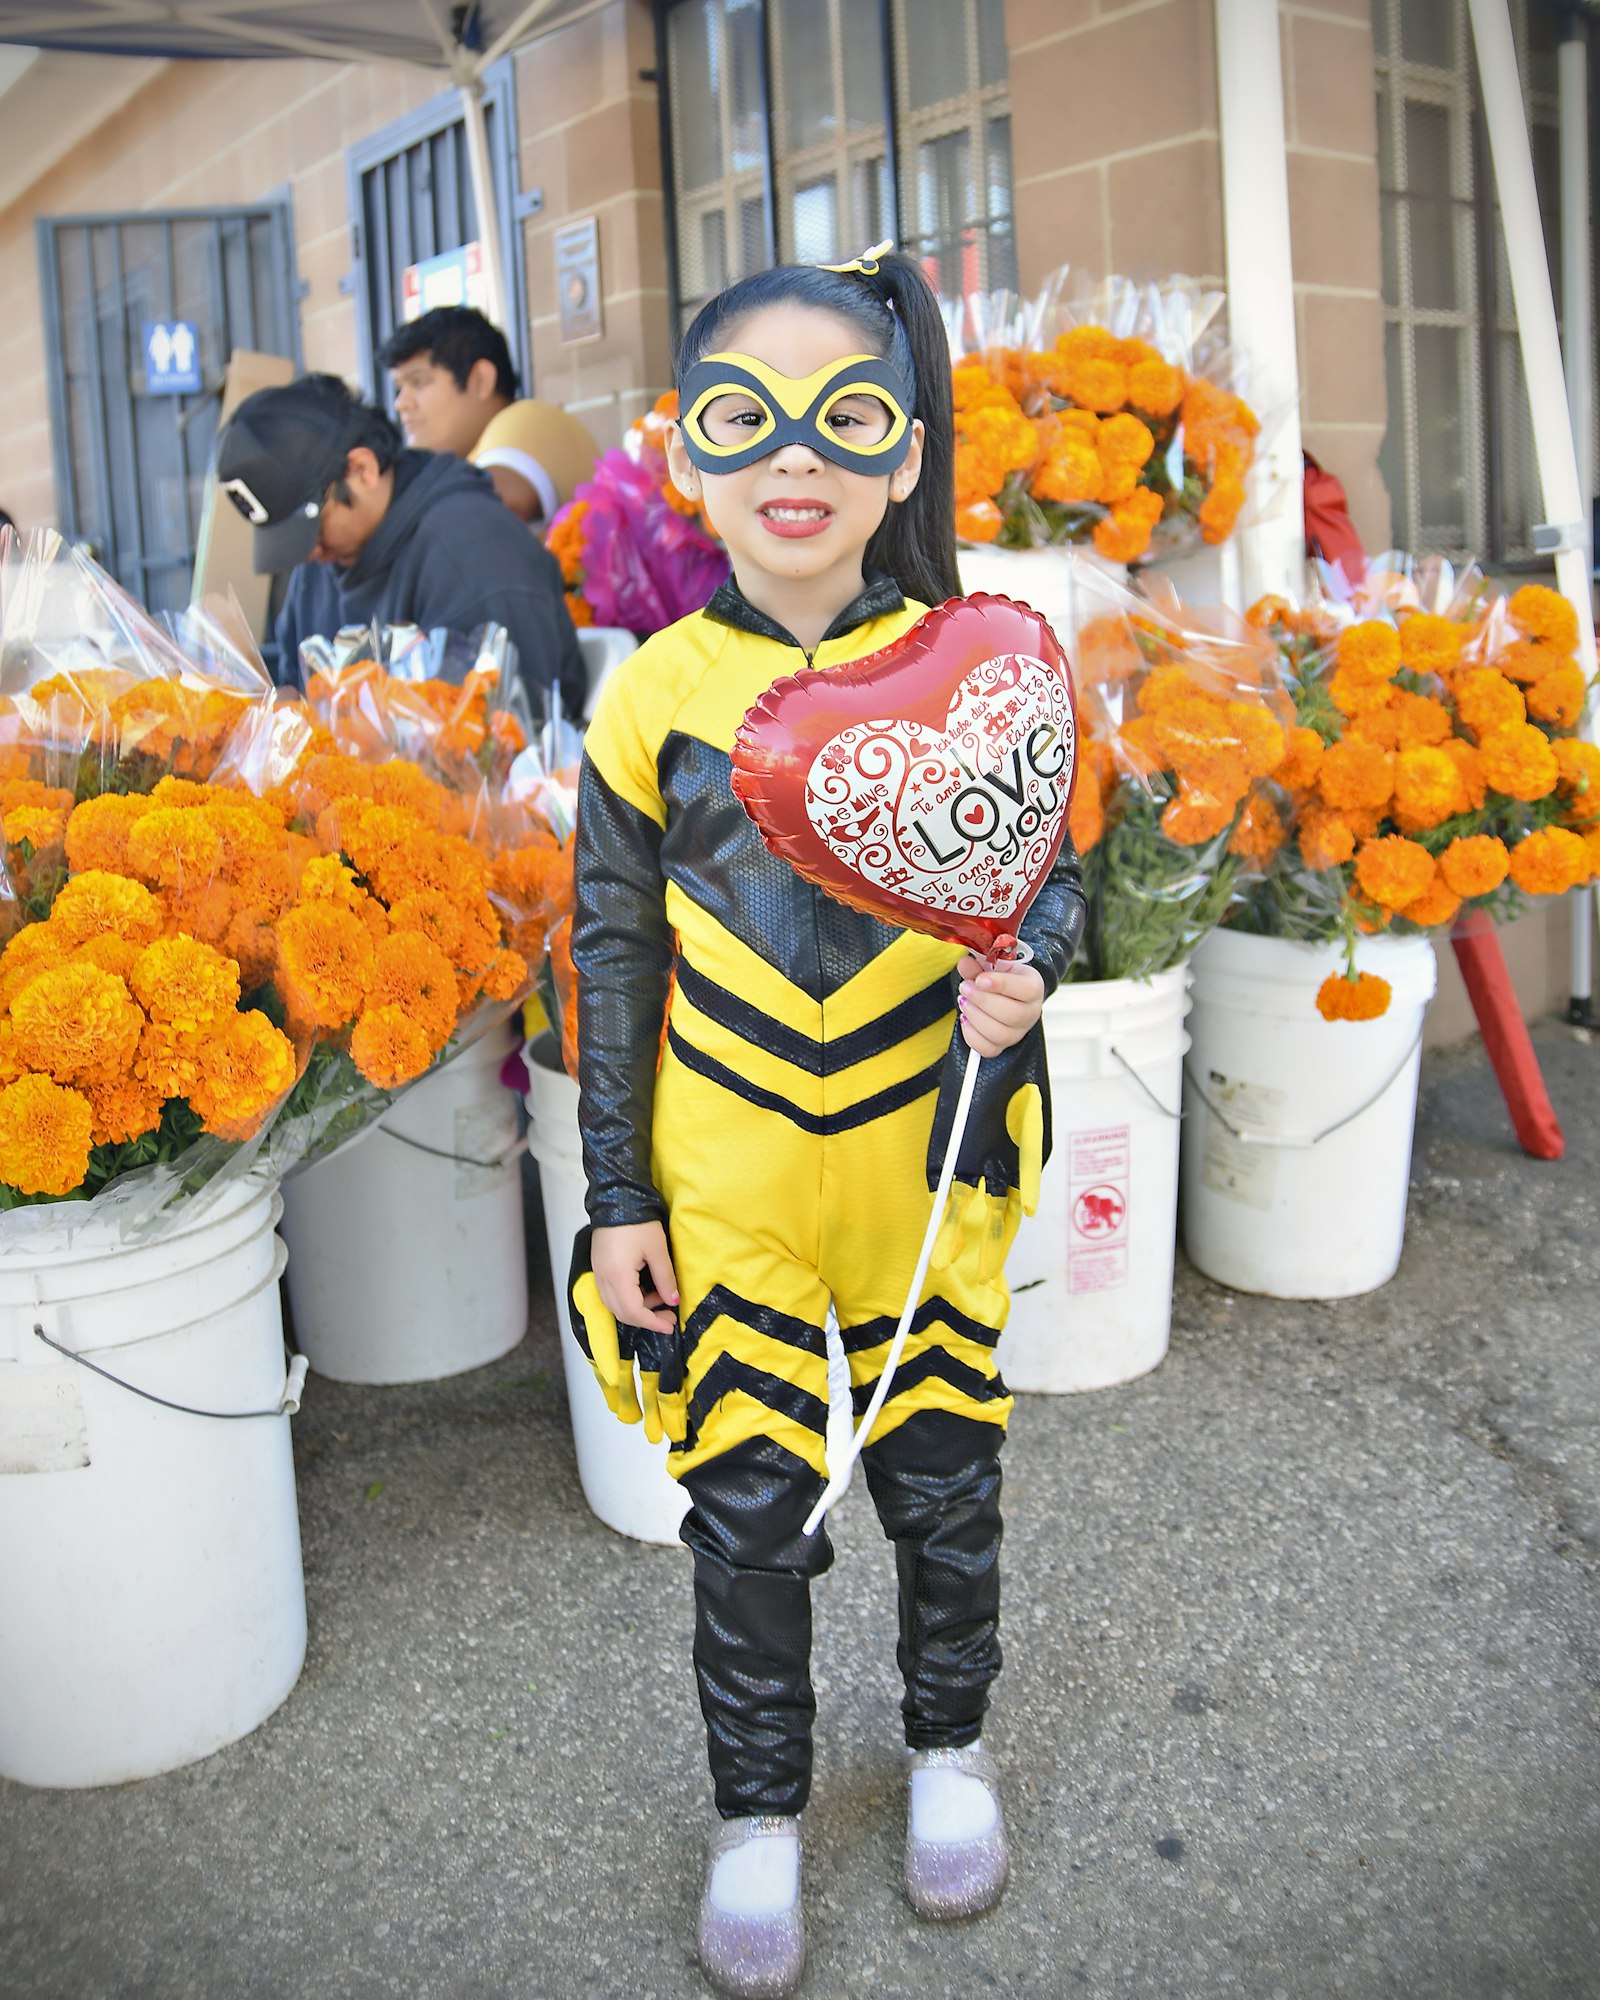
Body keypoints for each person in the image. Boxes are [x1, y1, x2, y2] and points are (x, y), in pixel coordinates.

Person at [568, 246, 1085, 1998]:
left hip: (923, 1152)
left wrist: (1028, 979)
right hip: (725, 1180)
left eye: (843, 419)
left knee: (946, 1483)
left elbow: (1049, 880)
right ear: (692, 460)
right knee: (750, 1511)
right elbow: (614, 948)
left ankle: (949, 1746)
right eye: (745, 420)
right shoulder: (647, 695)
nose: (794, 459)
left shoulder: (973, 658)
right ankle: (758, 1811)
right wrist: (617, 1193)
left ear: (905, 458)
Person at [215, 372, 585, 717]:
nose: (309, 552)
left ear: (362, 469)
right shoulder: (319, 565)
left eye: (311, 528)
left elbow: (506, 737)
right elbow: (293, 689)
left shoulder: (474, 553)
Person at [378, 306, 599, 530]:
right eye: (399, 389)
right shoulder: (469, 460)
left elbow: (484, 508)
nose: (401, 403)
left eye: (419, 382)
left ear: (481, 381)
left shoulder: (528, 419)